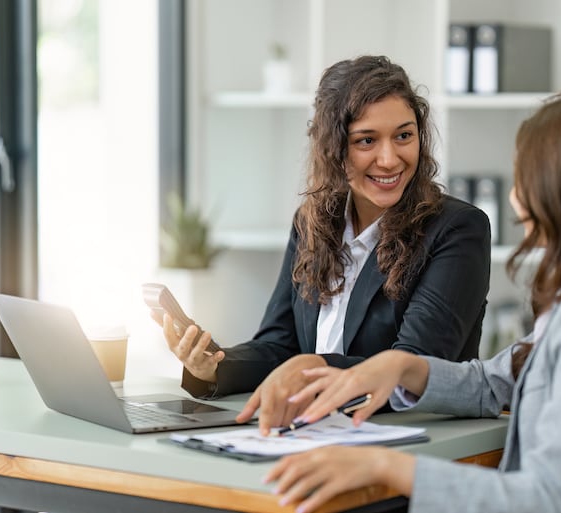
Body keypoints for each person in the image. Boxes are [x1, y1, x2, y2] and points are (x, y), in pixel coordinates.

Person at [263, 90, 561, 513]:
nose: (515, 201)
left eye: (523, 180)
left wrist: (386, 466)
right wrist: (402, 368)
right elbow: (496, 383)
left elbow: (547, 497)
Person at [154, 55, 491, 432]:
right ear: (333, 149)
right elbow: (280, 347)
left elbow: (413, 365)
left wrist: (314, 367)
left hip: (410, 439)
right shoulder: (313, 222)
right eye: (366, 140)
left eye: (404, 136)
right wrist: (215, 364)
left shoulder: (457, 229)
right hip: (316, 428)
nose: (389, 158)